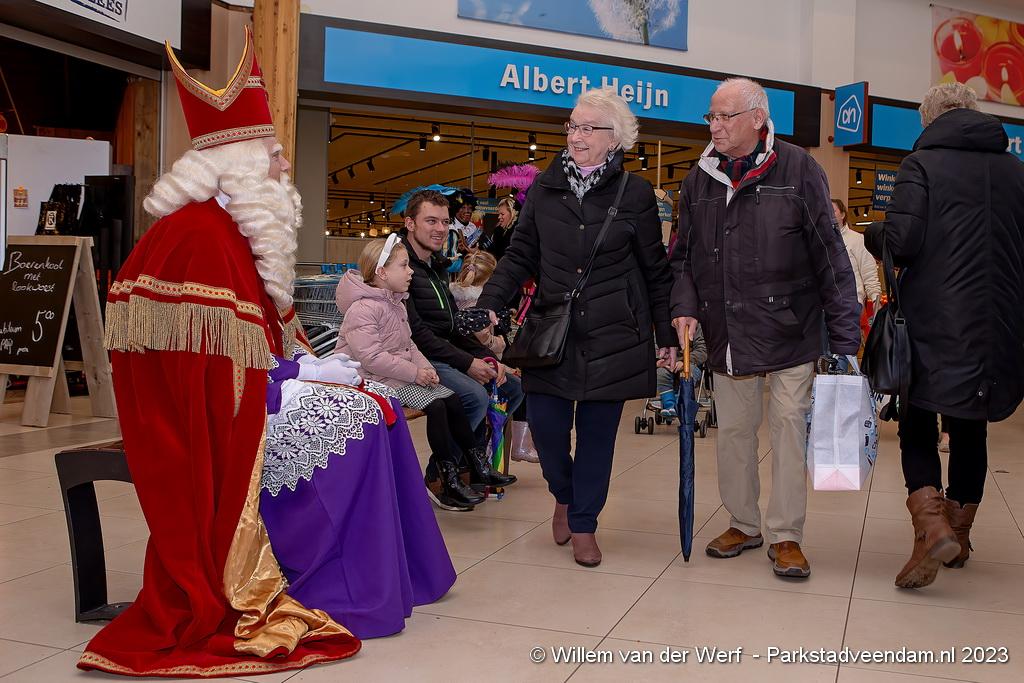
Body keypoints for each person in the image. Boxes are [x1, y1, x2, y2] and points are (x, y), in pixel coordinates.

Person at [81, 30, 365, 676]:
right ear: (237, 164)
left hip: (227, 411)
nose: (285, 169)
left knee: (369, 423)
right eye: (274, 157)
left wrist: (302, 368)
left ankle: (340, 575)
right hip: (190, 433)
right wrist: (281, 386)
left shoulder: (230, 231)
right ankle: (313, 577)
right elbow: (203, 376)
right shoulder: (199, 238)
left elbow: (260, 334)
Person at [669, 77, 860, 579]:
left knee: (789, 426)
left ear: (757, 119)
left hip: (792, 327)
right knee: (733, 431)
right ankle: (743, 523)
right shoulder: (699, 178)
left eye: (724, 116)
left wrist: (845, 338)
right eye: (711, 117)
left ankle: (786, 534)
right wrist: (684, 305)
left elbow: (829, 254)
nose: (714, 126)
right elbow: (682, 257)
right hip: (727, 331)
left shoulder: (799, 168)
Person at [477, 87, 675, 568]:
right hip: (553, 333)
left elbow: (654, 269)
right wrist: (489, 303)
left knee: (597, 438)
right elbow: (519, 255)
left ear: (615, 138)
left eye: (588, 128)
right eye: (572, 126)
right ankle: (563, 494)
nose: (576, 136)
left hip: (615, 333)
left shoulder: (636, 193)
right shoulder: (545, 189)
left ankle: (584, 522)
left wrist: (666, 333)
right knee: (546, 431)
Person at [864, 83, 1024, 589]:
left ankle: (932, 526)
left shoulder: (922, 165)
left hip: (934, 320)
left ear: (929, 120)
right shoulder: (1016, 171)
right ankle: (960, 531)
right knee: (971, 423)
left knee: (917, 418)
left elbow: (904, 241)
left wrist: (874, 233)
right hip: (999, 324)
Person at [335, 235, 484, 512]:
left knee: (452, 399)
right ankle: (447, 477)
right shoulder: (362, 309)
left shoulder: (395, 303)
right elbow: (372, 358)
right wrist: (415, 373)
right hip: (369, 380)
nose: (410, 271)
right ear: (382, 272)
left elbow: (409, 344)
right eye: (404, 266)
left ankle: (475, 463)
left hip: (394, 376)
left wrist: (426, 368)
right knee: (437, 406)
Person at [399, 189, 522, 491]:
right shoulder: (401, 268)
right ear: (410, 223)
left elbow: (454, 325)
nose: (440, 229)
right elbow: (417, 334)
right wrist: (468, 363)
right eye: (431, 221)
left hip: (443, 352)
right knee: (474, 396)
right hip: (415, 358)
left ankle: (469, 464)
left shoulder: (436, 266)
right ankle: (441, 475)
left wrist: (488, 359)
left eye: (444, 221)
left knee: (513, 387)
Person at [451, 249, 540, 463]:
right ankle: (510, 444)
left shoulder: (457, 300)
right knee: (520, 386)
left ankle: (501, 443)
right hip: (479, 364)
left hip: (471, 361)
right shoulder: (481, 307)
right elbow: (486, 344)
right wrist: (499, 342)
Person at [832, 198, 881, 315]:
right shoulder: (820, 241)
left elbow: (869, 273)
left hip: (850, 306)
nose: (829, 214)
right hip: (825, 305)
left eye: (833, 210)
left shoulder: (857, 240)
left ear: (842, 215)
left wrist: (876, 299)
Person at [657, 322, 707, 419]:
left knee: (688, 374)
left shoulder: (697, 326)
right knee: (661, 373)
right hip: (668, 363)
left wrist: (684, 362)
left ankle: (680, 403)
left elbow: (703, 351)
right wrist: (659, 361)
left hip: (691, 364)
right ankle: (669, 404)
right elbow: (655, 347)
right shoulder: (663, 325)